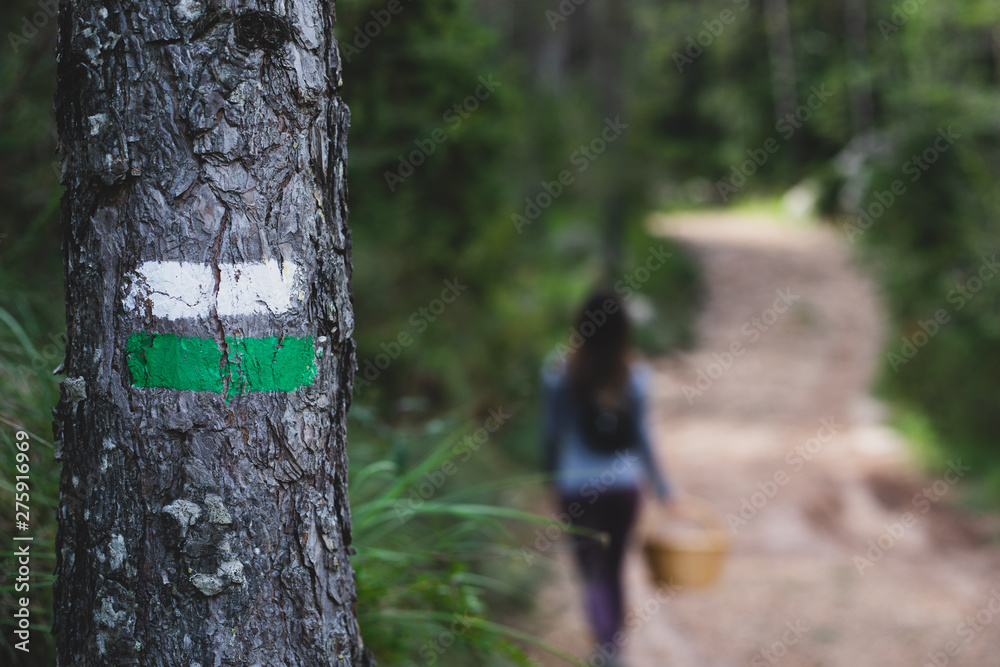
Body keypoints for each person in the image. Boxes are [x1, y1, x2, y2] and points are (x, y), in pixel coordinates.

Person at [541, 287, 673, 665]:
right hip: (624, 486)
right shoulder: (636, 373)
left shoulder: (558, 371)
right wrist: (663, 489)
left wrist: (549, 478)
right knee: (614, 569)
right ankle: (614, 648)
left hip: (577, 486)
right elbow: (643, 437)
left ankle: (606, 647)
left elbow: (550, 434)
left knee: (591, 572)